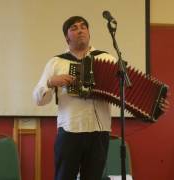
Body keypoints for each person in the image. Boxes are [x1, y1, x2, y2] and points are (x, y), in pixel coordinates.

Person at [33, 16, 115, 180]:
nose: (80, 30)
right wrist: (50, 82)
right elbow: (38, 99)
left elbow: (122, 90)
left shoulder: (107, 59)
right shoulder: (56, 62)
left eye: (83, 27)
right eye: (74, 28)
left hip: (99, 131)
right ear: (67, 37)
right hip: (70, 130)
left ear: (89, 32)